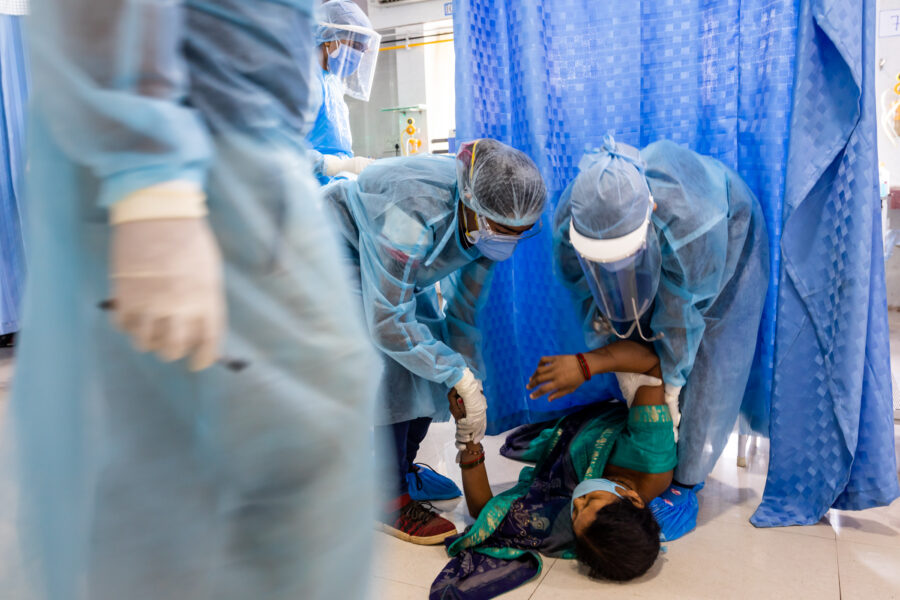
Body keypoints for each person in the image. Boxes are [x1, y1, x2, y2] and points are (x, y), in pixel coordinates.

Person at [8, 1, 380, 599]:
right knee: (163, 502)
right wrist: (149, 181)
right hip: (189, 165)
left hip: (242, 162)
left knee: (299, 465)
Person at [322, 138, 546, 543]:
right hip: (336, 248)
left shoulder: (485, 227)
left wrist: (466, 379)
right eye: (503, 231)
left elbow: (462, 315)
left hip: (392, 261)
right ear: (474, 205)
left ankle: (401, 470)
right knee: (391, 364)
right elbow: (387, 321)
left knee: (432, 352)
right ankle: (387, 498)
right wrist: (453, 372)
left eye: (520, 233)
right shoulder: (411, 209)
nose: (508, 241)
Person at [551, 135, 769, 540]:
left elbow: (681, 318)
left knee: (712, 362)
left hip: (726, 237)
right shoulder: (575, 216)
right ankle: (679, 453)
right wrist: (612, 346)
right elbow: (584, 289)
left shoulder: (692, 225)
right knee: (644, 337)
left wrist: (668, 392)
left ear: (649, 214)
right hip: (663, 247)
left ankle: (687, 481)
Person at [430, 340, 675, 599]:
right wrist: (584, 365)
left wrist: (469, 435)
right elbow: (649, 366)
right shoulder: (650, 457)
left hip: (564, 415)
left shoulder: (577, 527)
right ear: (634, 499)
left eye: (575, 512)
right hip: (599, 379)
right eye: (590, 499)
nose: (577, 498)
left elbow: (486, 515)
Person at [308, 0, 380, 184]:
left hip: (335, 189)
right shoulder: (303, 82)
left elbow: (338, 148)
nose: (358, 55)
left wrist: (348, 167)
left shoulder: (333, 84)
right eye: (355, 46)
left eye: (363, 50)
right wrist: (337, 167)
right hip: (307, 193)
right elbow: (282, 149)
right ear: (329, 38)